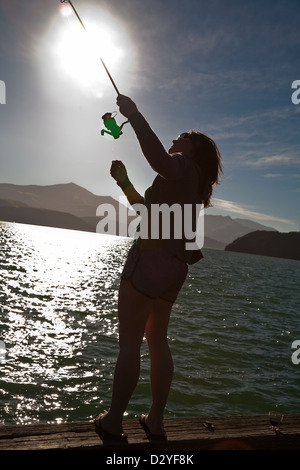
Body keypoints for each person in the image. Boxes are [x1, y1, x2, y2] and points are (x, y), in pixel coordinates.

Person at [94, 95, 223, 444]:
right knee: (157, 341)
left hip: (150, 262)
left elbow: (158, 159)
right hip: (174, 269)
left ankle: (113, 422)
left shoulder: (181, 165)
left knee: (129, 344)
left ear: (193, 149)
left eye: (183, 136)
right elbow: (147, 213)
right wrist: (123, 182)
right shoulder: (192, 181)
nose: (176, 138)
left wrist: (134, 115)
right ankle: (155, 421)